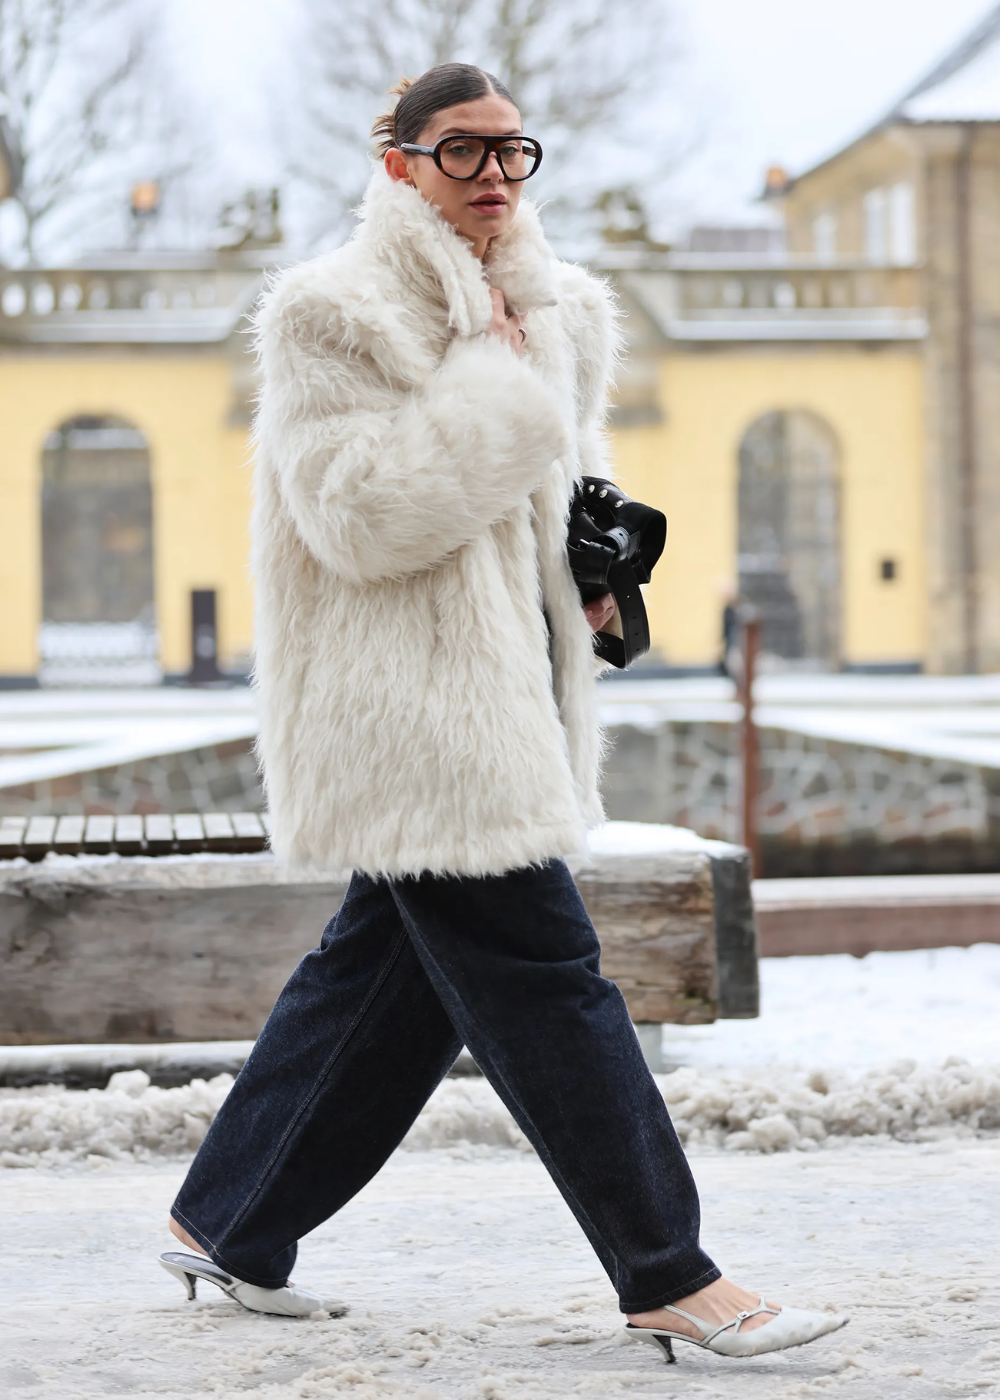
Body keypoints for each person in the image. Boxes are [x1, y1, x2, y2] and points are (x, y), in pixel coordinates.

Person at [160, 63, 847, 1361]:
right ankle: (670, 1270)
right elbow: (356, 514)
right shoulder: (331, 314)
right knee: (549, 981)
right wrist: (495, 389)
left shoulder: (562, 308)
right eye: (461, 150)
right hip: (408, 711)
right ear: (399, 163)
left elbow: (556, 487)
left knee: (388, 985)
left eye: (510, 152)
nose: (490, 175)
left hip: (516, 692)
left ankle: (226, 1222)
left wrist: (587, 584)